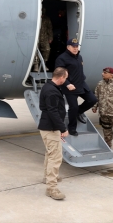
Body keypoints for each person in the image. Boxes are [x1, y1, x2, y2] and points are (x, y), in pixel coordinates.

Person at [38, 67, 70, 200]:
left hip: (47, 127)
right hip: (50, 128)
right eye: (66, 77)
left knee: (50, 153)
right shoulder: (52, 91)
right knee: (55, 157)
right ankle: (52, 188)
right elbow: (53, 111)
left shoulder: (48, 86)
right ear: (61, 77)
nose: (66, 80)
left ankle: (47, 177)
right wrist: (63, 129)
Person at [54, 38, 97, 136]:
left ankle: (79, 112)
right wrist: (67, 84)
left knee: (92, 100)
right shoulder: (62, 58)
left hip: (81, 84)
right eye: (73, 47)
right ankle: (72, 128)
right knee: (73, 107)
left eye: (77, 46)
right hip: (70, 86)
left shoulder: (79, 57)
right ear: (68, 47)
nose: (75, 48)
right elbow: (59, 74)